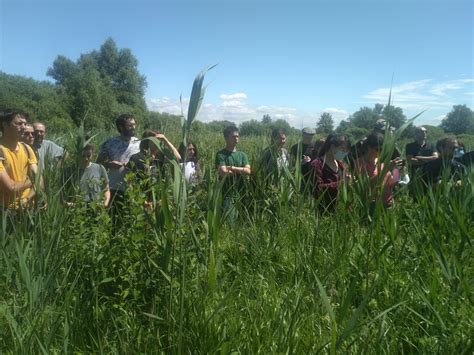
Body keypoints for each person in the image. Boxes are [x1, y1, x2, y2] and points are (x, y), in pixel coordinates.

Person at [97, 113, 140, 225]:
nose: (133, 127)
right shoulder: (110, 143)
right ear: (121, 127)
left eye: (134, 125)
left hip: (133, 189)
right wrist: (109, 164)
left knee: (131, 221)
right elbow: (99, 162)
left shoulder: (139, 143)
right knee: (113, 222)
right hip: (113, 188)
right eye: (130, 125)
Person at [0, 109, 39, 210]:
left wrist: (27, 199)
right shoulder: (1, 151)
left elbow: (39, 179)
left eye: (25, 124)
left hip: (28, 208)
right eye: (19, 123)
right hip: (6, 211)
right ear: (5, 125)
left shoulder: (27, 148)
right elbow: (11, 188)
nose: (24, 127)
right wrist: (31, 180)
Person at [355, 133, 403, 209]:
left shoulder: (381, 163)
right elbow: (366, 185)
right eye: (378, 149)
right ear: (368, 147)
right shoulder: (360, 164)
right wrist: (386, 169)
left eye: (382, 149)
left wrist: (397, 170)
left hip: (389, 204)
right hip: (372, 206)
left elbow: (391, 184)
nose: (380, 152)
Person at [215, 126, 251, 219]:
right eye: (233, 137)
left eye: (237, 136)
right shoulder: (221, 155)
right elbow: (223, 172)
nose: (236, 139)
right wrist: (241, 170)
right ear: (226, 138)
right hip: (227, 193)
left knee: (242, 219)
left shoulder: (242, 155)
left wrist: (232, 168)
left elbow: (248, 171)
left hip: (241, 192)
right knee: (229, 219)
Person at [311, 134, 351, 211]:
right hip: (322, 210)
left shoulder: (341, 164)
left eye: (346, 151)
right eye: (342, 149)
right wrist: (341, 183)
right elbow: (317, 189)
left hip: (339, 210)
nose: (344, 153)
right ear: (332, 147)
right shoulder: (317, 164)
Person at [290, 127, 316, 192]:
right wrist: (301, 162)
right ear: (303, 135)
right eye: (307, 136)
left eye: (311, 136)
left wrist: (312, 161)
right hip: (299, 177)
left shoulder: (315, 146)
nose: (309, 138)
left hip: (312, 177)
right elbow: (291, 164)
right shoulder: (295, 147)